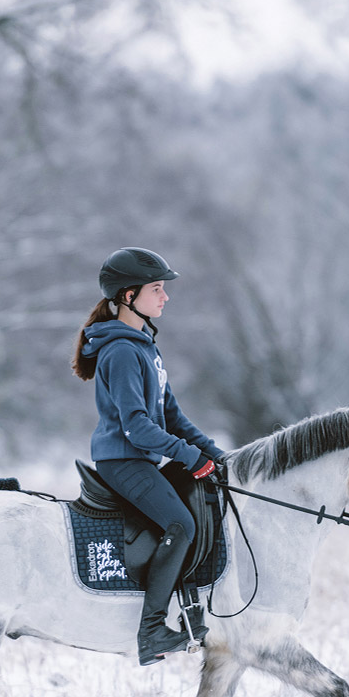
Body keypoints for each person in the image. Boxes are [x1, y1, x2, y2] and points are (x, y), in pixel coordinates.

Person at [72, 248, 230, 665]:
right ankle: (152, 630)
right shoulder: (122, 352)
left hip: (140, 459)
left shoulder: (145, 348)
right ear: (129, 296)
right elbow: (137, 427)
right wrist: (190, 457)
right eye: (156, 288)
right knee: (181, 523)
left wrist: (219, 456)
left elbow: (173, 417)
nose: (165, 296)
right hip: (122, 460)